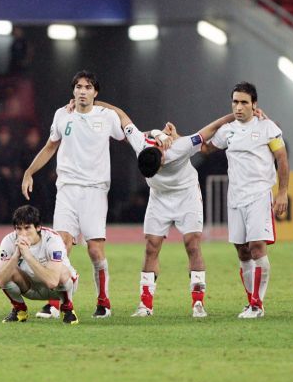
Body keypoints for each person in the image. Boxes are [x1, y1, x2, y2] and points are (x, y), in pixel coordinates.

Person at [99, 102, 235, 318]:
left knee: (192, 244)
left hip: (187, 195)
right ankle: (145, 305)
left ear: (162, 156)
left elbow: (210, 129)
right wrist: (96, 103)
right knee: (151, 247)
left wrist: (234, 116)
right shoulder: (139, 143)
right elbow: (122, 115)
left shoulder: (180, 147)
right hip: (159, 198)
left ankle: (198, 303)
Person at [22, 70, 125, 319]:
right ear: (73, 91)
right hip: (67, 188)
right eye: (78, 87)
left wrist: (101, 105)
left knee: (95, 250)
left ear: (95, 92)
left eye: (88, 87)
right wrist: (29, 172)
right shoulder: (62, 115)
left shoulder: (106, 117)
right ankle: (55, 303)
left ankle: (103, 302)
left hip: (95, 190)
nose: (82, 91)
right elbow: (50, 146)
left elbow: (125, 128)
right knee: (61, 245)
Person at [203, 82, 289, 319]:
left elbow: (282, 158)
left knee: (257, 247)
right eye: (235, 102)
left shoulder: (267, 127)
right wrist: (180, 139)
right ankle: (252, 301)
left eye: (244, 102)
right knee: (242, 251)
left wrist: (282, 192)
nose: (239, 107)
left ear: (254, 105)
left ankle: (257, 305)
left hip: (259, 195)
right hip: (235, 197)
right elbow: (205, 149)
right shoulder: (227, 130)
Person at [0, 205, 79, 324]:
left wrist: (28, 255)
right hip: (30, 287)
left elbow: (52, 282)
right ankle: (20, 310)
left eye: (27, 228)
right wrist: (16, 256)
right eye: (19, 228)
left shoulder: (52, 239)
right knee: (7, 271)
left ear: (38, 227)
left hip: (59, 288)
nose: (23, 233)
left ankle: (67, 309)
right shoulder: (9, 240)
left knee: (62, 272)